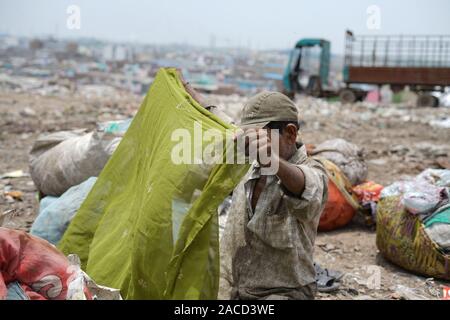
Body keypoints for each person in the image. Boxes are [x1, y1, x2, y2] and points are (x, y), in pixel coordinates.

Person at [180, 74, 328, 300]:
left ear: (290, 133)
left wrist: (273, 160)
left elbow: (307, 186)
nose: (252, 144)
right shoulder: (250, 161)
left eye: (260, 137)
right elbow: (220, 118)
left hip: (282, 293)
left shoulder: (311, 170)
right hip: (233, 288)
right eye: (249, 137)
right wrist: (184, 86)